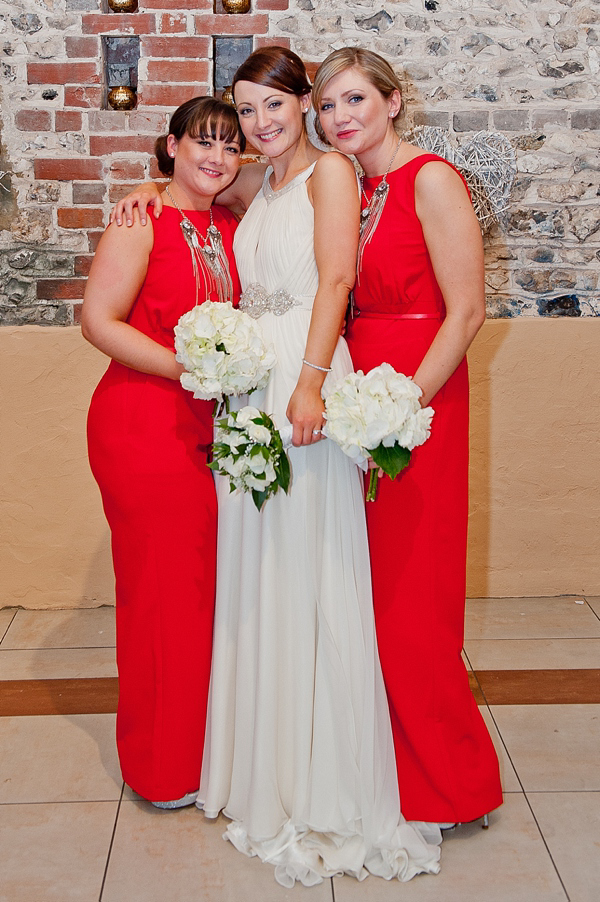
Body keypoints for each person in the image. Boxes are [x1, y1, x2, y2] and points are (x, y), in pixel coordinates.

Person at [112, 46, 442, 887]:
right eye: (247, 110)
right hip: (249, 392)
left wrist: (310, 386)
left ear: (304, 105)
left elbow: (335, 280)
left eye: (274, 106)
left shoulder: (332, 173)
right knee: (254, 574)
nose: (259, 125)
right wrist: (145, 193)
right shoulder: (257, 185)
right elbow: (190, 203)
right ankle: (260, 760)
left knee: (310, 565)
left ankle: (318, 771)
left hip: (301, 383)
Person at [312, 47, 503, 826]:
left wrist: (405, 403)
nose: (340, 117)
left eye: (355, 99)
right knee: (370, 588)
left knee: (412, 594)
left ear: (394, 101)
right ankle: (385, 763)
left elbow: (467, 311)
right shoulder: (355, 187)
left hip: (417, 398)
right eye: (327, 106)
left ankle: (451, 784)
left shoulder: (431, 178)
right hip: (361, 393)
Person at [82, 97, 243, 807]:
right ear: (171, 145)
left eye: (230, 146)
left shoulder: (233, 221)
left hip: (217, 427)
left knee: (209, 594)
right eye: (202, 142)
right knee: (161, 599)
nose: (216, 157)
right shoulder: (141, 220)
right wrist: (187, 371)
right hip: (145, 422)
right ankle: (160, 765)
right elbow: (97, 321)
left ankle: (209, 749)